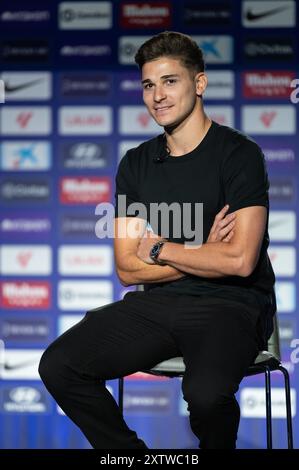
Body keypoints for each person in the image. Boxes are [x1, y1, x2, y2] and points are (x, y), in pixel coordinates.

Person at [39, 31, 276, 449]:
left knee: (205, 397)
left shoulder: (239, 154)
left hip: (231, 305)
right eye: (149, 85)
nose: (157, 96)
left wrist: (159, 248)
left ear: (198, 84)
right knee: (59, 365)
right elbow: (128, 268)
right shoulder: (135, 163)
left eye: (170, 81)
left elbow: (239, 261)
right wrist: (204, 251)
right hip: (158, 307)